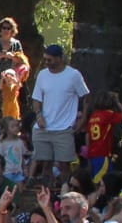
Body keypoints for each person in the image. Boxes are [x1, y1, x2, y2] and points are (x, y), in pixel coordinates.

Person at [30, 43, 89, 178]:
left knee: (64, 165)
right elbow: (36, 99)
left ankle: (64, 191)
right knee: (45, 164)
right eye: (45, 59)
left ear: (59, 58)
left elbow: (86, 98)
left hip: (64, 127)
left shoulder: (73, 75)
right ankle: (47, 193)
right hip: (43, 128)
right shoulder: (42, 75)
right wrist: (39, 116)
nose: (46, 63)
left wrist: (82, 121)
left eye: (49, 60)